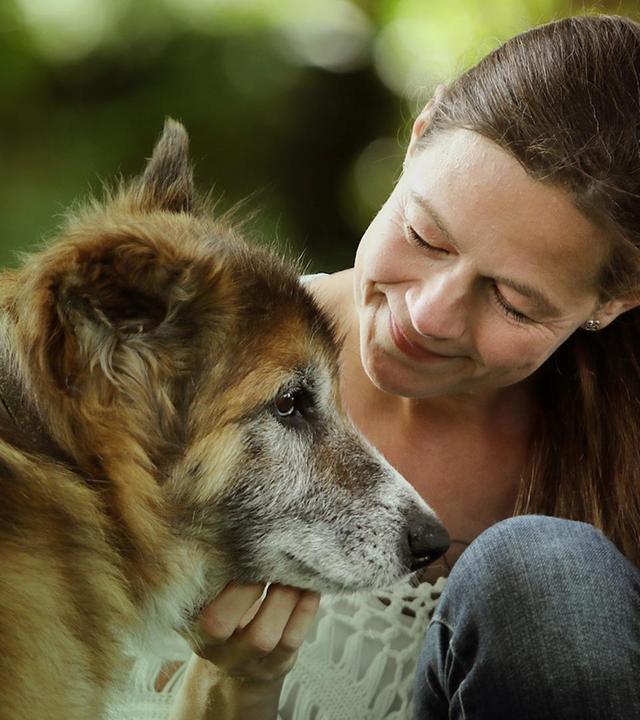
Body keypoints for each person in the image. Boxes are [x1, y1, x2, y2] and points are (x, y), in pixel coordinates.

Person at [107, 13, 640, 720]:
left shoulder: (615, 467)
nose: (428, 316)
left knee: (547, 573)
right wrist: (239, 690)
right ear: (417, 139)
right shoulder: (171, 371)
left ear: (614, 302)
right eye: (425, 235)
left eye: (513, 302)